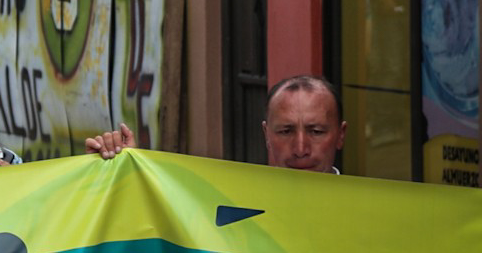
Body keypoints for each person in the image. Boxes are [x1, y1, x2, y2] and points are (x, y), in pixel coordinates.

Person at [89, 74, 347, 173]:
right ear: (266, 134)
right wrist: (127, 172)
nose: (301, 148)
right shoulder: (232, 207)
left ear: (340, 135)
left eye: (316, 131)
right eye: (286, 131)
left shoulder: (364, 216)